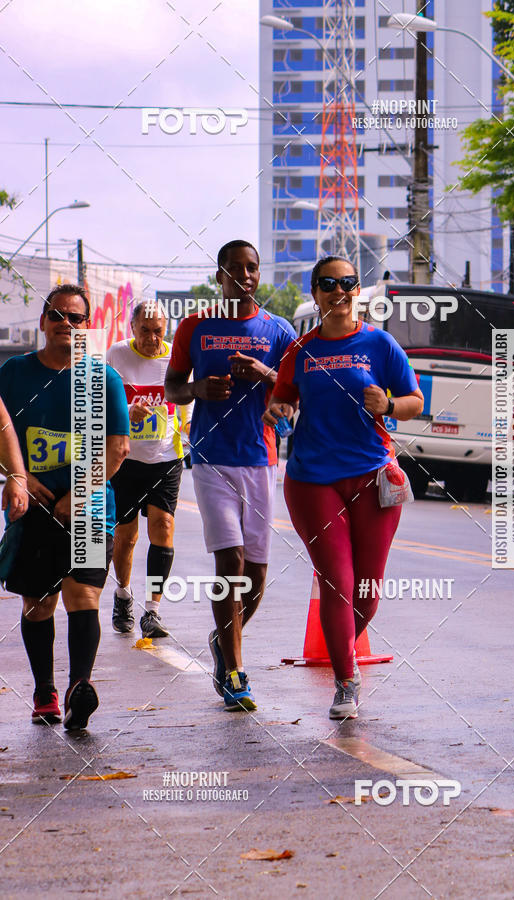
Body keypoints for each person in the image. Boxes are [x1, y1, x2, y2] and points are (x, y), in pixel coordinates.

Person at [263, 256, 424, 720]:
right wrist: (279, 412)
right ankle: (345, 680)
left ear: (358, 291)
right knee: (338, 582)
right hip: (314, 479)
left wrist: (390, 402)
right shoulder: (300, 350)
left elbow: (414, 402)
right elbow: (282, 402)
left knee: (367, 594)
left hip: (373, 478)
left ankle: (341, 651)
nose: (340, 290)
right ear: (315, 293)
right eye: (329, 284)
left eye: (348, 283)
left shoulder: (381, 344)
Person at [165, 240, 296, 711]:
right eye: (236, 268)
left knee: (257, 572)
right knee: (231, 560)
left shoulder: (278, 330)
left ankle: (224, 641)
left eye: (253, 268)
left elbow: (295, 392)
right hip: (211, 456)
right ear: (219, 275)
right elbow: (173, 388)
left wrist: (263, 373)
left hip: (260, 458)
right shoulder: (195, 326)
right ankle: (236, 671)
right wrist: (200, 387)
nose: (245, 275)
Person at [0, 284, 129, 729]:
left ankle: (79, 688)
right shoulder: (14, 374)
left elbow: (117, 448)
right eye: (57, 315)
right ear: (43, 322)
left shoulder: (103, 378)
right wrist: (23, 478)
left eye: (76, 318)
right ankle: (45, 691)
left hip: (90, 507)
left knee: (83, 594)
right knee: (39, 602)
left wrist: (80, 493)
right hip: (31, 508)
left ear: (86, 326)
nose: (65, 324)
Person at [108, 303, 186, 638]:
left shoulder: (176, 359)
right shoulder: (117, 355)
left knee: (163, 527)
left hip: (166, 457)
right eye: (145, 330)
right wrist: (126, 411)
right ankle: (123, 594)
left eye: (158, 330)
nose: (153, 338)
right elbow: (100, 402)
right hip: (125, 460)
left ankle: (152, 610)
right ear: (132, 327)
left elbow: (185, 400)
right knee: (126, 538)